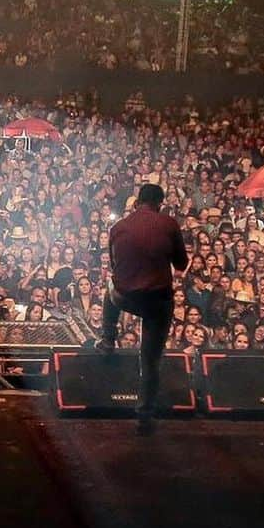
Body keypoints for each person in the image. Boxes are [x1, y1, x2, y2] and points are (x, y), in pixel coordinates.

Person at [97, 182, 188, 434]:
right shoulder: (169, 224)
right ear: (160, 203)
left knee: (109, 287)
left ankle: (107, 339)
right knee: (149, 360)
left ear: (137, 201)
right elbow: (181, 263)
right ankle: (144, 415)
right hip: (158, 301)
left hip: (126, 297)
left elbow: (115, 264)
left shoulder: (118, 227)